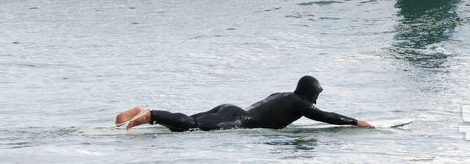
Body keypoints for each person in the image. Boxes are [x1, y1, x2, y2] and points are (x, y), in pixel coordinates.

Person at [115, 76, 374, 132]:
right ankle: (152, 115)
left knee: (187, 124)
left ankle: (143, 112)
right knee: (192, 127)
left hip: (230, 108)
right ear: (311, 93)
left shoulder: (281, 94)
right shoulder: (300, 103)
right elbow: (325, 116)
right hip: (239, 120)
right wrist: (355, 121)